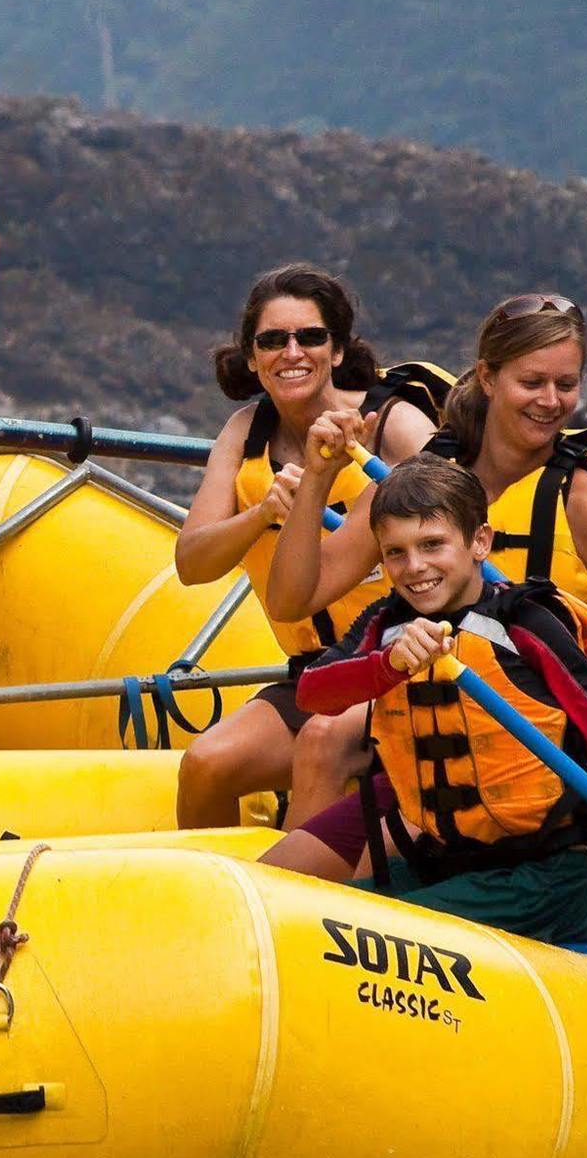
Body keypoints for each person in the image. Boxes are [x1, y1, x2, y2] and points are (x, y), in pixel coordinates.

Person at [260, 455, 587, 945]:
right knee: (286, 907)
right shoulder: (386, 623)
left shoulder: (525, 624)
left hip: (543, 879)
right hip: (450, 859)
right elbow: (312, 692)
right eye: (396, 553)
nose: (415, 568)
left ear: (480, 541)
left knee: (335, 934)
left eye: (432, 545)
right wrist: (386, 665)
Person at [268, 293, 587, 729]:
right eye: (531, 383)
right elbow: (292, 599)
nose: (550, 401)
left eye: (565, 385)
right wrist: (317, 479)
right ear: (487, 377)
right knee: (323, 734)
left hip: (554, 744)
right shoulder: (417, 485)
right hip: (429, 727)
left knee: (324, 736)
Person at [171, 264, 436, 828]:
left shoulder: (391, 421)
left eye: (310, 337)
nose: (292, 352)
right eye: (272, 341)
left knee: (325, 747)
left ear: (337, 350)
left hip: (413, 661)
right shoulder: (246, 432)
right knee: (206, 764)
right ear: (252, 358)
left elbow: (453, 497)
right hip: (320, 670)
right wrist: (264, 512)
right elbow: (192, 562)